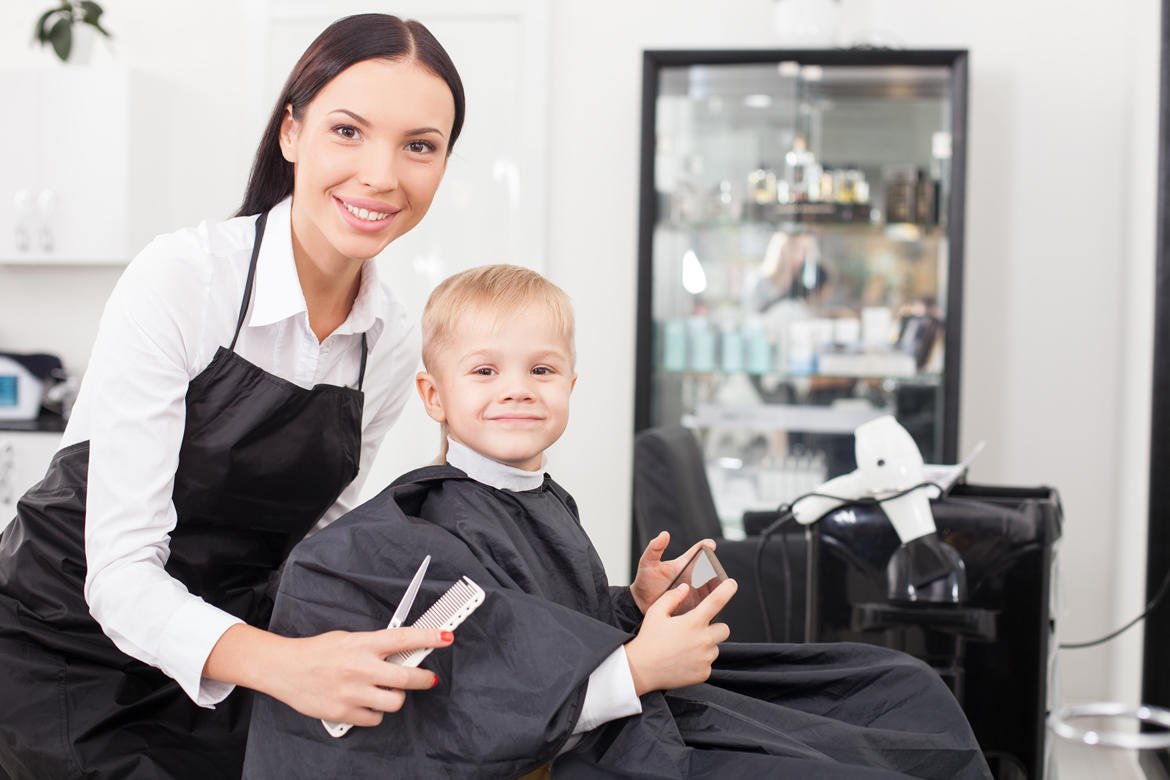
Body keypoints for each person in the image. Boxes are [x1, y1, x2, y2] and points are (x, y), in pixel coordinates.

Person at [244, 265, 992, 779]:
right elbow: (476, 684)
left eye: (540, 371)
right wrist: (636, 665)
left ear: (570, 384)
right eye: (484, 372)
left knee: (897, 683)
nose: (517, 392)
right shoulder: (418, 529)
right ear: (433, 397)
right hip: (579, 748)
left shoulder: (541, 497)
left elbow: (539, 621)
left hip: (613, 707)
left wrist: (630, 604)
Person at [0, 13, 466, 779]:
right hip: (63, 650)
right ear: (291, 132)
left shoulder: (390, 342)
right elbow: (118, 576)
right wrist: (287, 666)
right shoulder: (186, 280)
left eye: (420, 145)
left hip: (227, 664)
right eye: (348, 131)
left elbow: (316, 539)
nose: (383, 175)